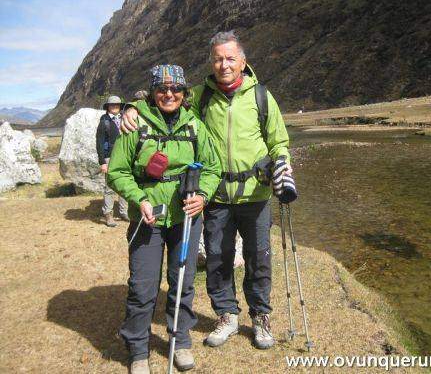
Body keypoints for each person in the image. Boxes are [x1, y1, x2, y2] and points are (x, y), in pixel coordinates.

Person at [121, 31, 293, 350]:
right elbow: (164, 97)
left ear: (242, 61)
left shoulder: (261, 96)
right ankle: (227, 314)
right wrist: (130, 107)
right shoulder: (200, 95)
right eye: (218, 58)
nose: (223, 64)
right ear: (211, 62)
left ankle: (259, 317)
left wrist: (282, 162)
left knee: (258, 258)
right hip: (215, 197)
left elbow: (279, 140)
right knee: (218, 257)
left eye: (230, 58)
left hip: (255, 194)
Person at [107, 64, 221, 373]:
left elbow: (212, 168)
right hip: (148, 220)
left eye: (175, 89)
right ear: (153, 92)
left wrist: (204, 195)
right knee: (143, 286)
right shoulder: (135, 126)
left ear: (184, 93)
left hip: (185, 219)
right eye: (162, 89)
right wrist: (140, 198)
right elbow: (116, 172)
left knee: (182, 283)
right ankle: (138, 349)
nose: (168, 94)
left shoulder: (195, 126)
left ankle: (180, 340)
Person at [96, 95, 128, 227]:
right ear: (108, 107)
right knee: (109, 187)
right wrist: (102, 162)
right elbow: (99, 143)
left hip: (125, 156)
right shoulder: (104, 122)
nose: (115, 106)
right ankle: (108, 214)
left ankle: (124, 211)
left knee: (125, 185)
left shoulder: (125, 118)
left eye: (117, 104)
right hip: (110, 157)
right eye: (112, 105)